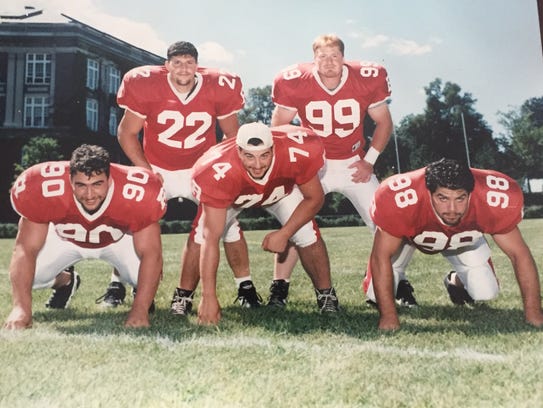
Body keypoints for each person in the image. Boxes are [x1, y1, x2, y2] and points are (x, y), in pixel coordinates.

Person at [109, 40, 259, 315]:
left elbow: (233, 137)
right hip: (158, 166)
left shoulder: (217, 86)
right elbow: (126, 133)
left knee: (227, 223)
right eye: (177, 62)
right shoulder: (145, 83)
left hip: (201, 168)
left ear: (197, 66)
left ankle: (244, 286)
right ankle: (119, 283)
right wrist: (145, 169)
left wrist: (218, 169)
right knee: (133, 221)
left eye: (189, 62)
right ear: (166, 65)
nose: (183, 68)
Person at [268, 33, 415, 307]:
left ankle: (397, 280)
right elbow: (279, 126)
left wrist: (369, 160)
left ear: (343, 58)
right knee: (293, 223)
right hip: (314, 164)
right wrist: (293, 162)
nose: (329, 62)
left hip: (352, 162)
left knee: (391, 223)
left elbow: (384, 122)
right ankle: (280, 286)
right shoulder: (294, 80)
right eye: (322, 56)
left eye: (334, 56)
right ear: (313, 59)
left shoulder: (367, 76)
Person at [365, 158, 543, 330]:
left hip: (462, 240)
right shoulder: (400, 197)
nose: (452, 209)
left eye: (460, 198)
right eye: (442, 198)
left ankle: (455, 281)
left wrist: (534, 313)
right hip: (409, 238)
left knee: (485, 292)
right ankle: (400, 283)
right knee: (375, 295)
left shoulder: (493, 196)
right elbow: (381, 256)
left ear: (471, 193)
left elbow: (519, 254)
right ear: (429, 192)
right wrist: (388, 316)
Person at [4, 144, 166, 330]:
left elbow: (152, 254)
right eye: (81, 185)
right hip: (65, 240)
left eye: (97, 184)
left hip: (117, 241)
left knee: (146, 277)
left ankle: (137, 293)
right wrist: (20, 309)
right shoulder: (42, 185)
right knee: (33, 278)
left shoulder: (137, 190)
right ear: (70, 179)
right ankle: (65, 280)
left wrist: (140, 310)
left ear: (110, 179)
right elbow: (25, 248)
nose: (89, 195)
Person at [192, 122, 338, 325]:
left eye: (264, 155)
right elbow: (211, 239)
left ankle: (326, 295)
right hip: (235, 196)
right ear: (238, 151)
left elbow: (315, 198)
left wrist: (284, 233)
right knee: (202, 233)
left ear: (274, 148)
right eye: (249, 156)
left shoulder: (294, 151)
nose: (258, 164)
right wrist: (208, 297)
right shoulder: (216, 168)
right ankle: (187, 295)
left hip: (280, 192)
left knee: (306, 231)